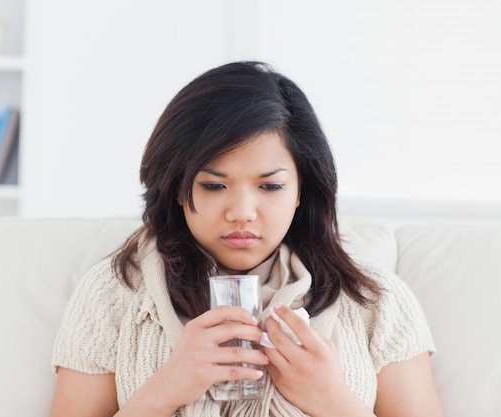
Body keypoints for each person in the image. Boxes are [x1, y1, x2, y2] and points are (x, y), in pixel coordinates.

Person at [49, 61, 444, 417]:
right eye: (213, 185)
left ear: (302, 190)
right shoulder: (113, 296)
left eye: (270, 186)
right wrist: (164, 391)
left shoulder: (378, 303)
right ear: (174, 187)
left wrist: (333, 401)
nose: (241, 211)